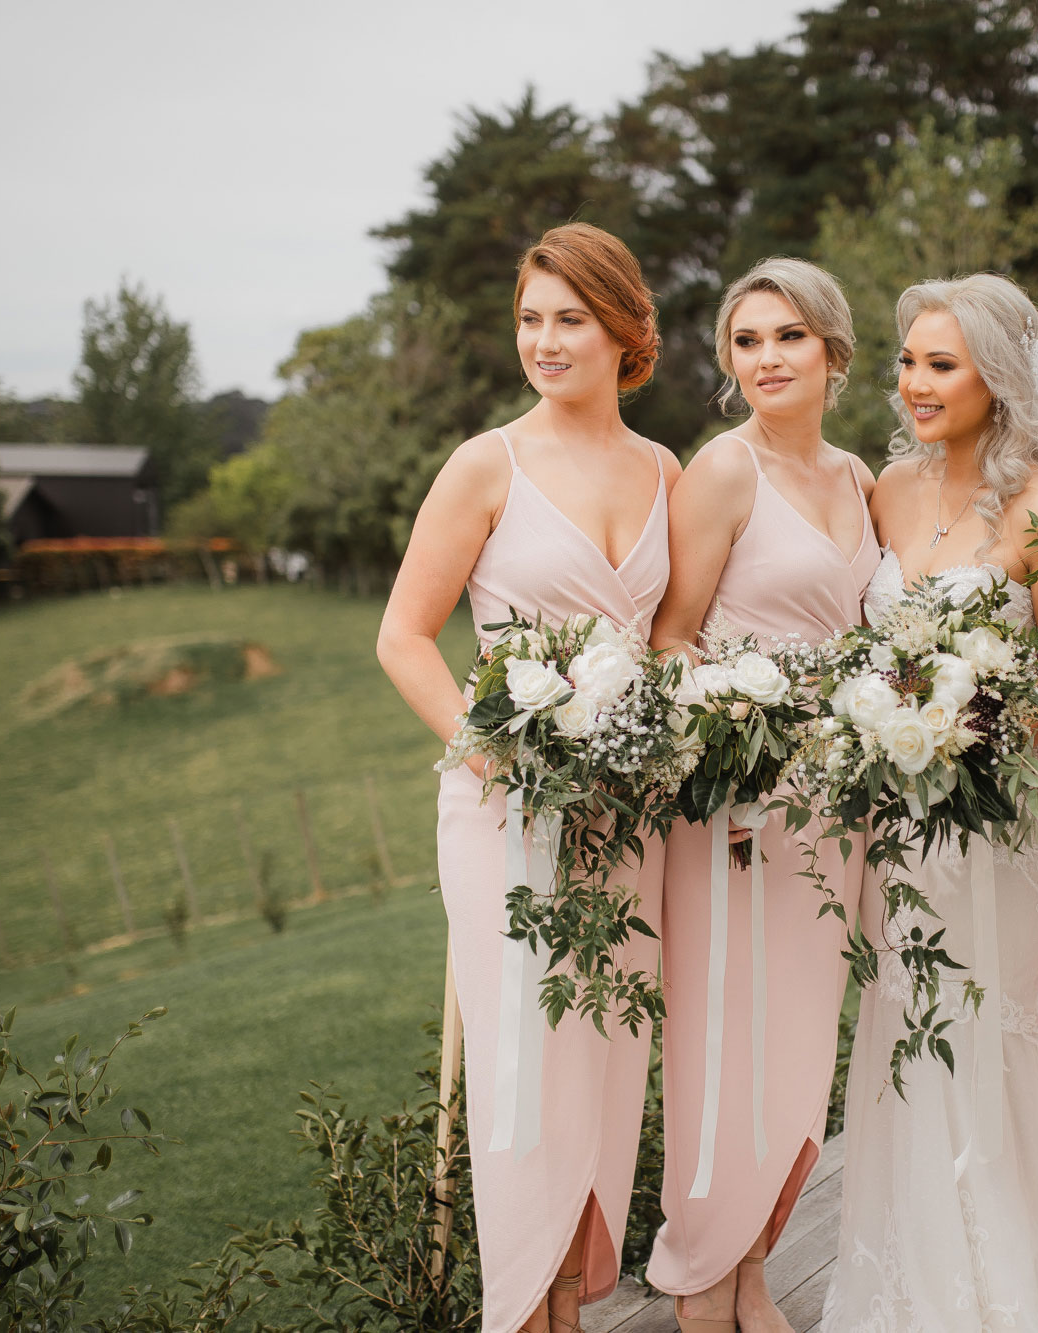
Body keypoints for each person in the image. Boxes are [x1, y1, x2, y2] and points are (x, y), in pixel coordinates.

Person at [375, 222, 682, 1333]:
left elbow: (670, 644)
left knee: (603, 1060)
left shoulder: (663, 470)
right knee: (520, 1074)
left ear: (624, 333)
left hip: (626, 819)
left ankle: (571, 1301)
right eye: (529, 319)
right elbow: (404, 637)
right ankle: (519, 1312)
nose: (544, 342)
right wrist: (490, 743)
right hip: (504, 814)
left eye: (569, 320)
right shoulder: (484, 465)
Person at [823, 273, 1038, 1333]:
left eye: (938, 363)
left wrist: (969, 732)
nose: (912, 382)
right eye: (906, 360)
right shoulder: (885, 492)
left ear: (995, 377)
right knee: (902, 1025)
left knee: (984, 1026)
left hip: (994, 822)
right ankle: (905, 1283)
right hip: (892, 825)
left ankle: (1001, 1296)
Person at [646, 257, 880, 1333]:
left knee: (797, 1049)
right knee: (722, 1040)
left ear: (833, 350)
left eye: (787, 336)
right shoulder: (722, 471)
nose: (766, 359)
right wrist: (737, 732)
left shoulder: (859, 478)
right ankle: (699, 1277)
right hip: (736, 807)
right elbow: (673, 634)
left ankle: (749, 1269)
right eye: (746, 342)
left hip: (837, 807)